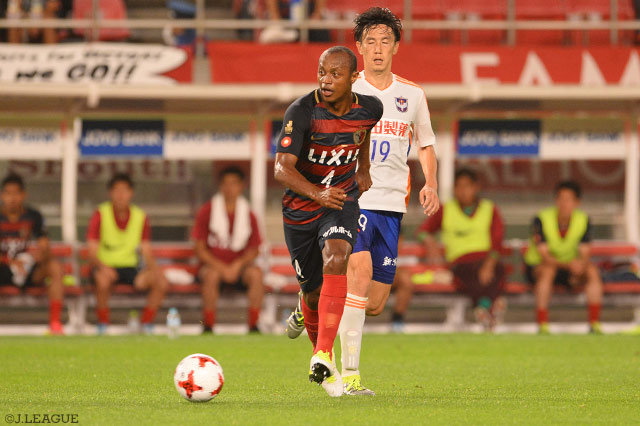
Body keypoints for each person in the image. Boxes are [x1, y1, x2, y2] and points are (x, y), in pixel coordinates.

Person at [284, 7, 439, 396]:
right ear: (359, 47)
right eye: (371, 41)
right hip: (354, 198)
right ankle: (350, 377)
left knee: (374, 302)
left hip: (393, 203)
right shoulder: (344, 90)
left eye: (385, 41)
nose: (378, 48)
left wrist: (431, 183)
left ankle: (309, 301)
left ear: (396, 47)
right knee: (356, 273)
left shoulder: (412, 95)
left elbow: (425, 144)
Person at [274, 46, 383, 397]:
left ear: (354, 78)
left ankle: (322, 355)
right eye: (322, 72)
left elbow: (363, 132)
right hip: (300, 210)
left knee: (337, 256)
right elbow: (281, 169)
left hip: (341, 201)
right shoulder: (302, 111)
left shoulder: (371, 108)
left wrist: (363, 167)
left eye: (335, 74)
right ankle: (311, 323)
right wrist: (317, 193)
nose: (326, 80)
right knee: (312, 291)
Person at [418, 168, 506, 331]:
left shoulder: (490, 209)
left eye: (467, 186)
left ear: (476, 187)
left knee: (498, 269)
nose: (463, 191)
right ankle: (491, 305)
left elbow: (497, 240)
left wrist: (489, 264)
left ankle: (483, 307)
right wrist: (430, 242)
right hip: (460, 263)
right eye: (458, 186)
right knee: (470, 274)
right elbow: (422, 231)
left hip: (486, 260)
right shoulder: (445, 209)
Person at [86, 173, 168, 335]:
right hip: (105, 266)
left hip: (131, 268)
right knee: (102, 280)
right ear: (110, 193)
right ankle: (103, 324)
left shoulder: (140, 216)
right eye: (116, 190)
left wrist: (155, 270)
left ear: (131, 193)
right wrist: (103, 267)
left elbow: (146, 249)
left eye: (124, 190)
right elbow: (91, 251)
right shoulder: (100, 214)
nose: (120, 195)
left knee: (161, 281)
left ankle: (146, 323)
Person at [191, 166, 265, 334]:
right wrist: (222, 267)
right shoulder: (207, 211)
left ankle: (254, 325)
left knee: (256, 274)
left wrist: (237, 265)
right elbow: (199, 249)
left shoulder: (249, 213)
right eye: (225, 183)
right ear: (220, 186)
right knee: (211, 275)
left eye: (234, 183)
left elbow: (254, 249)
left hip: (240, 269)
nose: (229, 188)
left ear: (241, 186)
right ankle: (208, 326)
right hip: (213, 267)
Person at [524, 180, 603, 334]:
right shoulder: (541, 219)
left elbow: (585, 252)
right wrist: (570, 266)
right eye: (560, 198)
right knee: (548, 271)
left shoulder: (583, 220)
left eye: (568, 199)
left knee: (592, 271)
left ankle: (595, 323)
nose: (564, 203)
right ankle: (542, 325)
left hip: (569, 268)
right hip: (538, 267)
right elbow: (545, 256)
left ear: (577, 202)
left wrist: (580, 266)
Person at [0, 173, 65, 334]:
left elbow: (44, 244)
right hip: (4, 268)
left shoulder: (34, 216)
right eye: (8, 193)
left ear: (23, 195)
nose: (12, 198)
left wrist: (37, 255)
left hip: (28, 269)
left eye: (16, 193)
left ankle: (55, 324)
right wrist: (10, 262)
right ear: (2, 195)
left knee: (55, 267)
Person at [5, 0, 71, 43]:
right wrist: (27, 18)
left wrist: (37, 19)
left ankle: (51, 56)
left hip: (43, 19)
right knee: (14, 21)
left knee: (48, 19)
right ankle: (13, 56)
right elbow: (12, 10)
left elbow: (53, 5)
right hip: (23, 20)